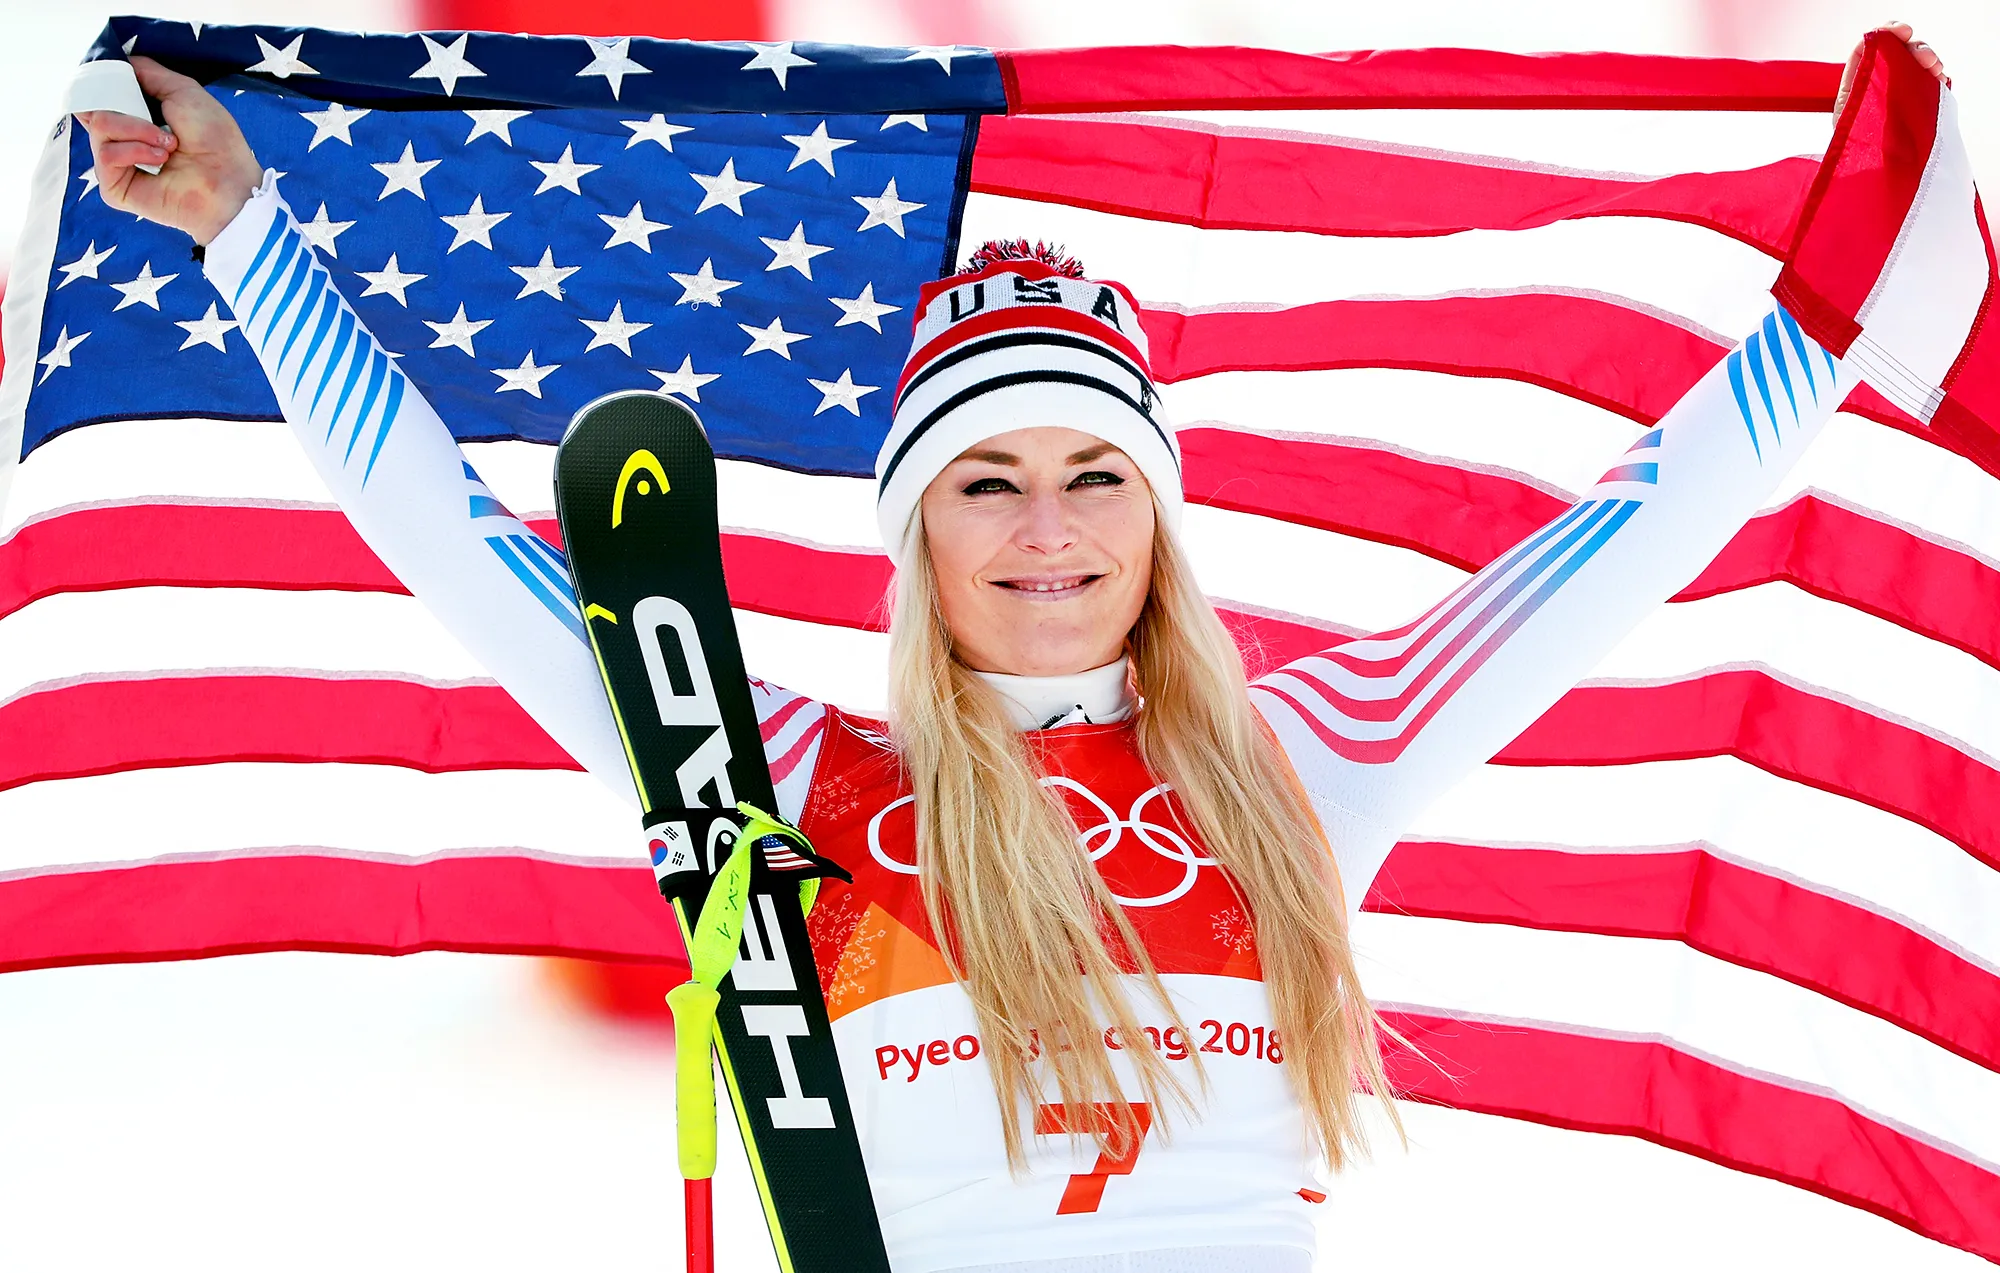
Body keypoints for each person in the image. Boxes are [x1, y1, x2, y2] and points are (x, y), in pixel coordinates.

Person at [79, 24, 1952, 1273]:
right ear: (915, 536)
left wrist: (1833, 313)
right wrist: (243, 229)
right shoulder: (793, 785)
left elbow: (1615, 546)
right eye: (983, 483)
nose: (1046, 528)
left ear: (1157, 516)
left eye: (1089, 476)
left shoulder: (1312, 757)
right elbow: (468, 550)